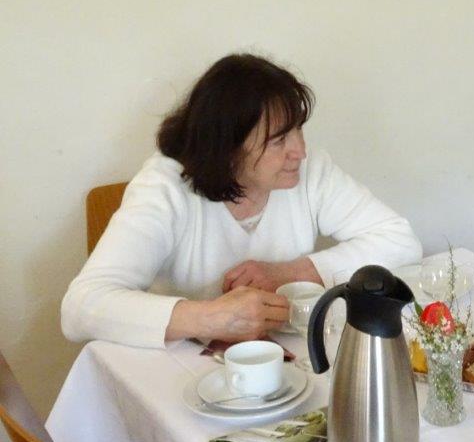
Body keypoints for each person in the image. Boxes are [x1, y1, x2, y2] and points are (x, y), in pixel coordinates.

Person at [62, 53, 422, 349]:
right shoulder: (164, 188)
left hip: (284, 361)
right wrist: (213, 317)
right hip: (180, 374)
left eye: (298, 129)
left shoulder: (310, 170)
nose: (299, 150)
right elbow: (81, 307)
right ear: (228, 148)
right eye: (279, 140)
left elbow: (400, 240)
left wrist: (288, 272)